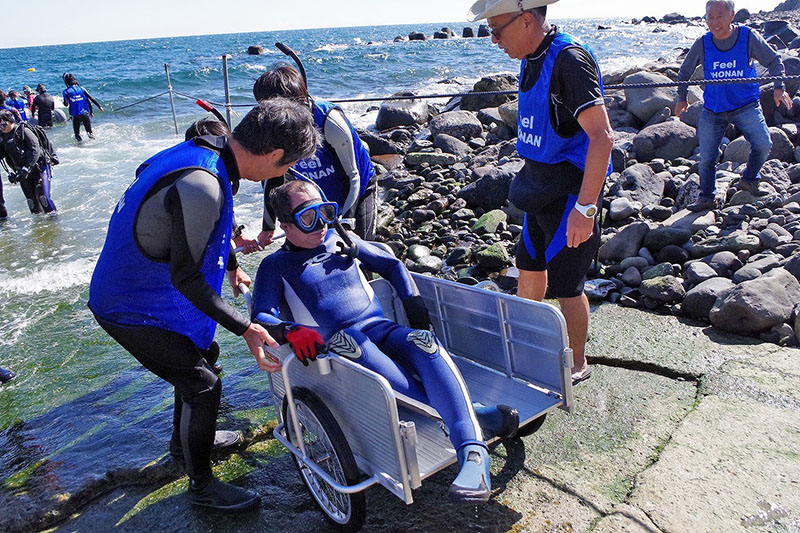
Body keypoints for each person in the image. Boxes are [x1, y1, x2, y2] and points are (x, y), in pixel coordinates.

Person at [88, 98, 320, 512]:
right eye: (286, 167)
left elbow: (177, 210)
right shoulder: (205, 184)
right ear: (275, 155)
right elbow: (187, 277)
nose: (283, 175)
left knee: (199, 357)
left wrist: (230, 264)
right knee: (203, 384)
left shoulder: (209, 146)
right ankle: (201, 487)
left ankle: (185, 445)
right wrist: (247, 328)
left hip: (141, 288)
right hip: (126, 305)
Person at [251, 179, 518, 503]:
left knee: (424, 343)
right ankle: (476, 416)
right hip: (344, 344)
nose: (321, 224)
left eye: (326, 212)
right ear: (285, 224)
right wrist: (291, 330)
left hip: (380, 327)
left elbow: (392, 265)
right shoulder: (275, 265)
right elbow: (262, 316)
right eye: (309, 217)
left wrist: (414, 305)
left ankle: (474, 458)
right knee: (355, 346)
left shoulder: (339, 240)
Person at [469, 0, 613, 384]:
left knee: (568, 285)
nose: (494, 39)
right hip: (537, 185)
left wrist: (585, 209)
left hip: (570, 192)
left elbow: (602, 138)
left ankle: (577, 362)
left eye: (497, 30)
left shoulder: (569, 60)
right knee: (529, 264)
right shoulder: (530, 54)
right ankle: (524, 342)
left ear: (527, 19)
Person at [240, 65, 377, 253]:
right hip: (313, 197)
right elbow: (272, 180)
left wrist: (346, 223)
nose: (274, 116)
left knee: (358, 253)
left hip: (356, 189)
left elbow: (354, 177)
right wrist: (268, 228)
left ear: (298, 101)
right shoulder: (275, 126)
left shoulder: (329, 121)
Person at [676, 0, 793, 211]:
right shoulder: (703, 43)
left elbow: (775, 61)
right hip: (713, 109)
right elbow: (684, 72)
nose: (714, 22)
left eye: (719, 16)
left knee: (763, 144)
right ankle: (707, 196)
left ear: (732, 16)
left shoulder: (748, 37)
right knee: (707, 158)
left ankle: (749, 179)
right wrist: (681, 97)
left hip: (746, 105)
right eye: (710, 17)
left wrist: (778, 87)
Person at [0, 110, 57, 214]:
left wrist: (27, 168)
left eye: (3, 124)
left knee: (43, 198)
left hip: (39, 168)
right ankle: (40, 228)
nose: (1, 127)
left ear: (11, 121)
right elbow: (2, 156)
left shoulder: (23, 131)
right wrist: (12, 175)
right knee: (31, 202)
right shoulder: (2, 137)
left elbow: (36, 150)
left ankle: (54, 223)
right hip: (22, 172)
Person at [62, 73, 104, 141]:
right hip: (85, 114)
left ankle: (80, 147)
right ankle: (93, 143)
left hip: (76, 116)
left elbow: (66, 104)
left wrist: (68, 100)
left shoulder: (66, 92)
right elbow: (91, 98)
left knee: (77, 134)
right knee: (90, 133)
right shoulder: (81, 89)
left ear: (66, 82)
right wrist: (99, 106)